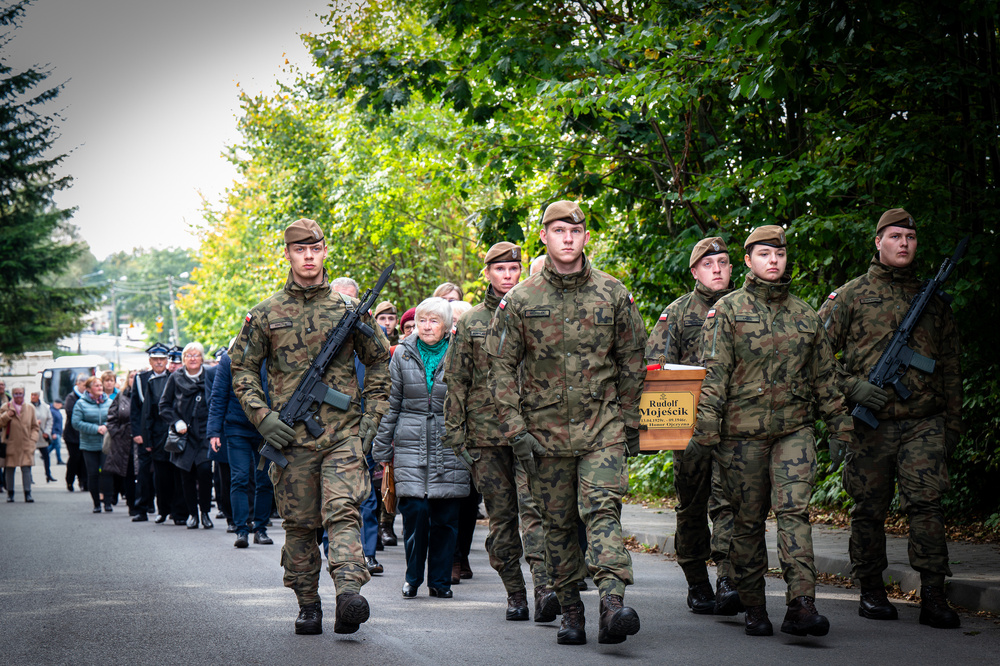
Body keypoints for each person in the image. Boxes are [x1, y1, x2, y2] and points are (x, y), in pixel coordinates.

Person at [486, 200, 647, 646]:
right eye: (558, 230)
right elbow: (500, 368)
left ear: (586, 237)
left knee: (602, 512)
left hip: (603, 429)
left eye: (575, 230)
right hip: (545, 434)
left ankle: (612, 602)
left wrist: (629, 419)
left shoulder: (613, 293)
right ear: (544, 237)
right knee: (557, 525)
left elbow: (634, 358)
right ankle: (571, 609)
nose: (568, 238)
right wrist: (516, 429)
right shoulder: (520, 300)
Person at [230, 218, 390, 636]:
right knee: (299, 525)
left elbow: (380, 361)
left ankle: (349, 594)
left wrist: (369, 422)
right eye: (299, 250)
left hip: (342, 436)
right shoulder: (266, 313)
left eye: (314, 249)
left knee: (343, 513)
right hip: (290, 442)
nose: (308, 257)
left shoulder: (347, 311)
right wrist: (262, 417)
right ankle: (307, 603)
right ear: (287, 254)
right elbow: (242, 368)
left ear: (324, 251)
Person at [690, 224, 852, 637]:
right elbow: (714, 377)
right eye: (764, 255)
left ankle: (801, 603)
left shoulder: (804, 314)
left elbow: (825, 379)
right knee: (746, 521)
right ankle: (754, 605)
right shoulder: (727, 311)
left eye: (779, 255)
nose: (773, 261)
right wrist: (706, 433)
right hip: (740, 436)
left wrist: (840, 426)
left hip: (792, 432)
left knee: (795, 512)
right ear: (748, 261)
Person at [817, 208, 963, 629]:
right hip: (871, 425)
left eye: (910, 237)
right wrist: (852, 390)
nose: (904, 244)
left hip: (924, 421)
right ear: (877, 241)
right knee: (868, 509)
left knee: (927, 507)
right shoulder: (849, 296)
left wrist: (951, 425)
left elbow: (951, 364)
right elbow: (817, 360)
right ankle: (871, 590)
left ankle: (934, 594)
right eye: (895, 236)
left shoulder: (932, 302)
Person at [444, 241, 558, 622]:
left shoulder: (537, 313)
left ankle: (544, 588)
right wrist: (455, 434)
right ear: (488, 273)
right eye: (500, 270)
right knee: (502, 518)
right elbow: (456, 381)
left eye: (514, 270)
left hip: (533, 430)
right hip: (486, 435)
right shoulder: (473, 322)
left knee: (537, 512)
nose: (508, 277)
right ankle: (515, 593)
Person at [644, 236, 738, 616]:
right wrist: (661, 427)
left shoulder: (745, 308)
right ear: (696, 271)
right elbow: (654, 366)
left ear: (733, 268)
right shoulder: (679, 312)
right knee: (693, 507)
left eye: (723, 263)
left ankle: (729, 578)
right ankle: (698, 581)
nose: (717, 270)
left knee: (731, 503)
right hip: (691, 430)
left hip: (738, 426)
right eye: (708, 265)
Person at [373, 296, 470, 600]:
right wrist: (381, 447)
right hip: (409, 440)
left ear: (447, 325)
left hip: (449, 440)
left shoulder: (460, 352)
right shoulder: (402, 353)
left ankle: (440, 582)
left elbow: (471, 401)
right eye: (422, 320)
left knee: (445, 517)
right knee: (414, 512)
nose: (427, 327)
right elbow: (391, 404)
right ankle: (412, 577)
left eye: (434, 321)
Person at [331, 278, 382, 574]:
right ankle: (333, 550)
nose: (348, 306)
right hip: (330, 432)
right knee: (335, 497)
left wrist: (373, 424)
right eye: (341, 300)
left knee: (366, 495)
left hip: (364, 428)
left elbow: (382, 380)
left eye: (353, 300)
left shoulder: (369, 334)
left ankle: (369, 552)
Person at [208, 347, 275, 548]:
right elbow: (218, 396)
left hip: (265, 426)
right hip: (237, 428)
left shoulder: (271, 354)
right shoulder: (229, 358)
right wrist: (214, 432)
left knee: (265, 479)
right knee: (239, 478)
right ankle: (241, 530)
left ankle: (260, 529)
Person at [159, 342, 216, 529]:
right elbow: (164, 405)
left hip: (205, 432)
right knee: (186, 474)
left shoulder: (210, 375)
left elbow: (218, 400)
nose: (192, 358)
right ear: (183, 359)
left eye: (196, 355)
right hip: (184, 434)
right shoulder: (176, 378)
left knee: (205, 471)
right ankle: (193, 514)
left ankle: (206, 512)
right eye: (189, 355)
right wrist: (176, 421)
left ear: (202, 358)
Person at [131, 342, 181, 524]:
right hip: (147, 431)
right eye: (155, 359)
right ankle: (141, 508)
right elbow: (136, 409)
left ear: (167, 360)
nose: (159, 362)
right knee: (144, 473)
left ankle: (173, 510)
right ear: (150, 360)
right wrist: (137, 432)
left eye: (162, 359)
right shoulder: (140, 378)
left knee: (170, 473)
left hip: (168, 430)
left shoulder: (173, 377)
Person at [72, 377, 113, 513]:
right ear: (88, 389)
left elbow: (115, 419)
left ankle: (107, 502)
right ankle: (96, 503)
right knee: (93, 473)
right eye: (96, 386)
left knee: (107, 473)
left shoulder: (110, 402)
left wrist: (106, 427)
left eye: (100, 385)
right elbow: (76, 423)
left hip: (106, 444)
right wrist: (96, 428)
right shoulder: (81, 404)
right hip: (89, 444)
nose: (100, 388)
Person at [1, 385, 39, 502]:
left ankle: (27, 493)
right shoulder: (5, 407)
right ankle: (10, 493)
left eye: (20, 393)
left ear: (24, 394)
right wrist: (8, 415)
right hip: (10, 443)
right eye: (16, 393)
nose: (18, 396)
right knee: (10, 469)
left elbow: (35, 427)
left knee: (26, 469)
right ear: (12, 395)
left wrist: (33, 440)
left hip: (26, 443)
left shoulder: (30, 408)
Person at [105, 371, 136, 513]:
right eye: (131, 376)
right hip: (124, 441)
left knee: (144, 473)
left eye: (137, 376)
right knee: (127, 472)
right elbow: (111, 418)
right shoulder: (121, 396)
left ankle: (146, 503)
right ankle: (132, 504)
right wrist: (117, 434)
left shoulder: (147, 393)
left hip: (142, 440)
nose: (134, 379)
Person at [63, 374, 89, 493]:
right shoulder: (71, 397)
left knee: (84, 459)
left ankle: (84, 481)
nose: (86, 388)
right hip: (72, 436)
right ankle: (70, 479)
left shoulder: (89, 397)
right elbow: (70, 413)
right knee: (75, 458)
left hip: (84, 434)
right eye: (84, 385)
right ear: (78, 384)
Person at [31, 391, 55, 483]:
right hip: (31, 437)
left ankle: (48, 475)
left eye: (35, 395)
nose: (33, 397)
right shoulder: (28, 407)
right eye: (32, 395)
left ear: (39, 396)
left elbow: (50, 420)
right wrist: (34, 422)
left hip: (42, 436)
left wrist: (47, 432)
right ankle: (29, 477)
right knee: (29, 457)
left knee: (46, 456)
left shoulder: (45, 407)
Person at [50, 399, 65, 466]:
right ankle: (59, 460)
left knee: (54, 445)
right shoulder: (53, 411)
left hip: (58, 432)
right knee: (57, 446)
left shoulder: (56, 411)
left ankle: (45, 453)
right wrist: (53, 433)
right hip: (55, 432)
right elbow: (51, 423)